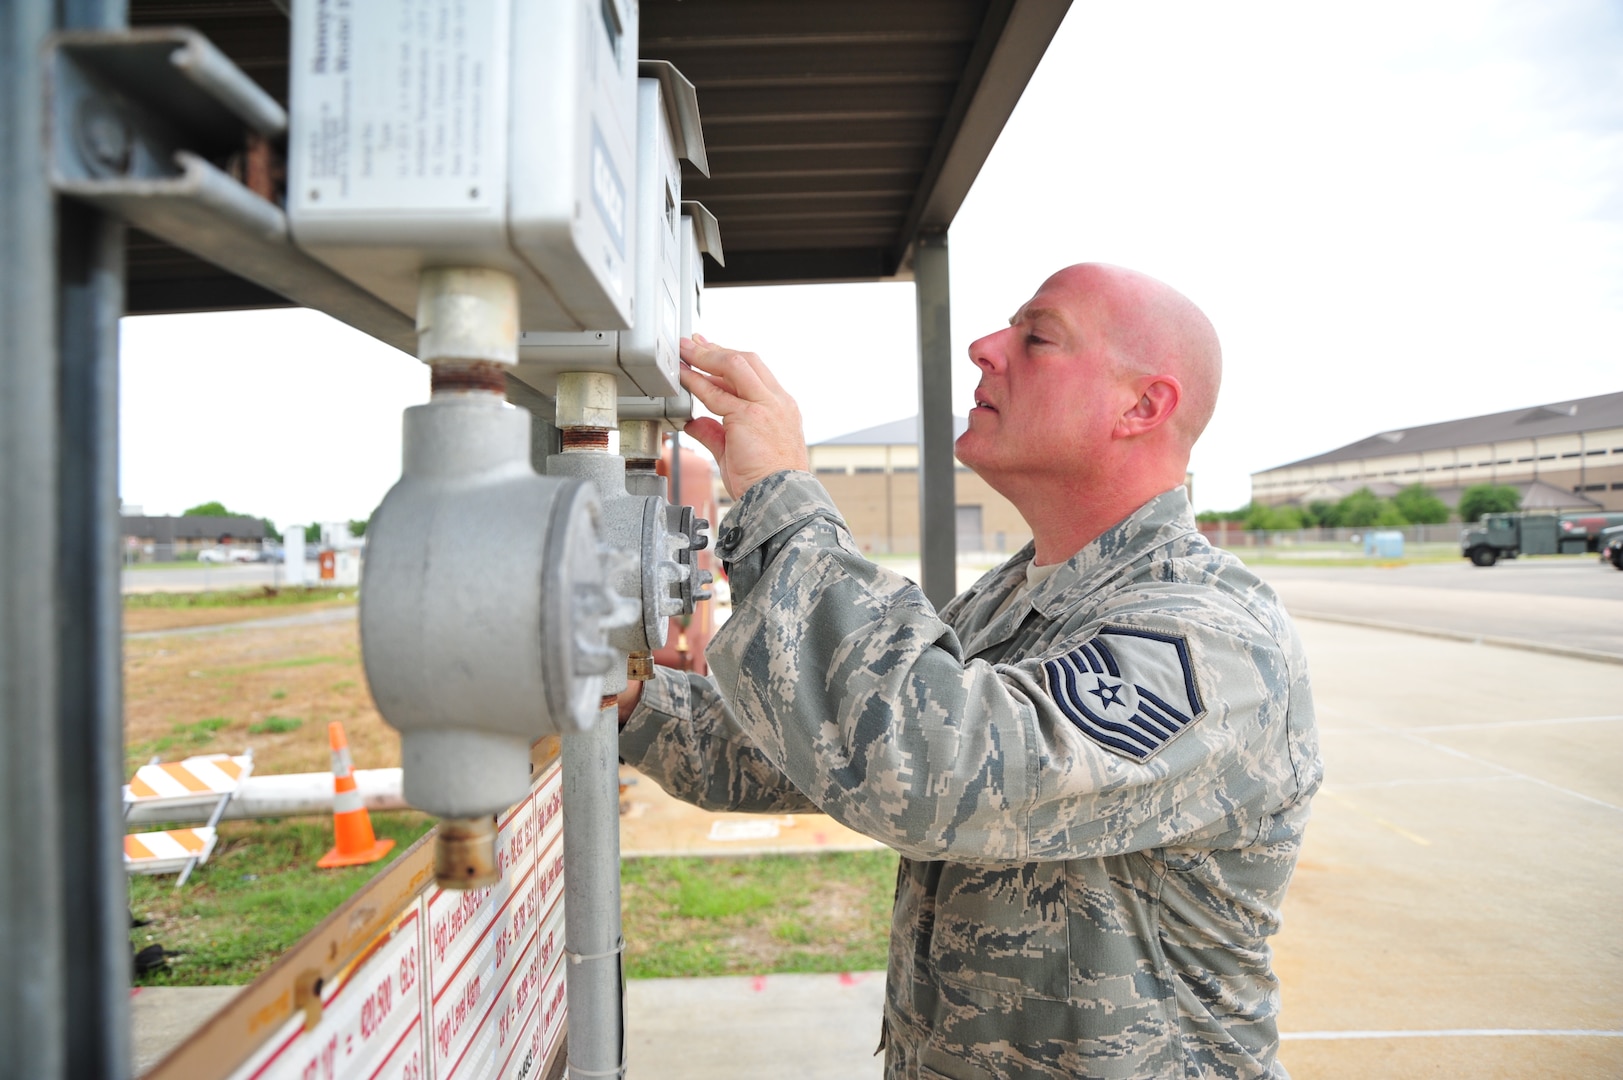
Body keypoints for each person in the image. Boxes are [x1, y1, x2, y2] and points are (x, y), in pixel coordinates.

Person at [617, 263, 1321, 1079]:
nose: (985, 349)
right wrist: (630, 697)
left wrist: (781, 495)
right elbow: (819, 745)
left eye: (1036, 337)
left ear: (1143, 406)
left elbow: (925, 769)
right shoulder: (1008, 598)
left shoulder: (1210, 634)